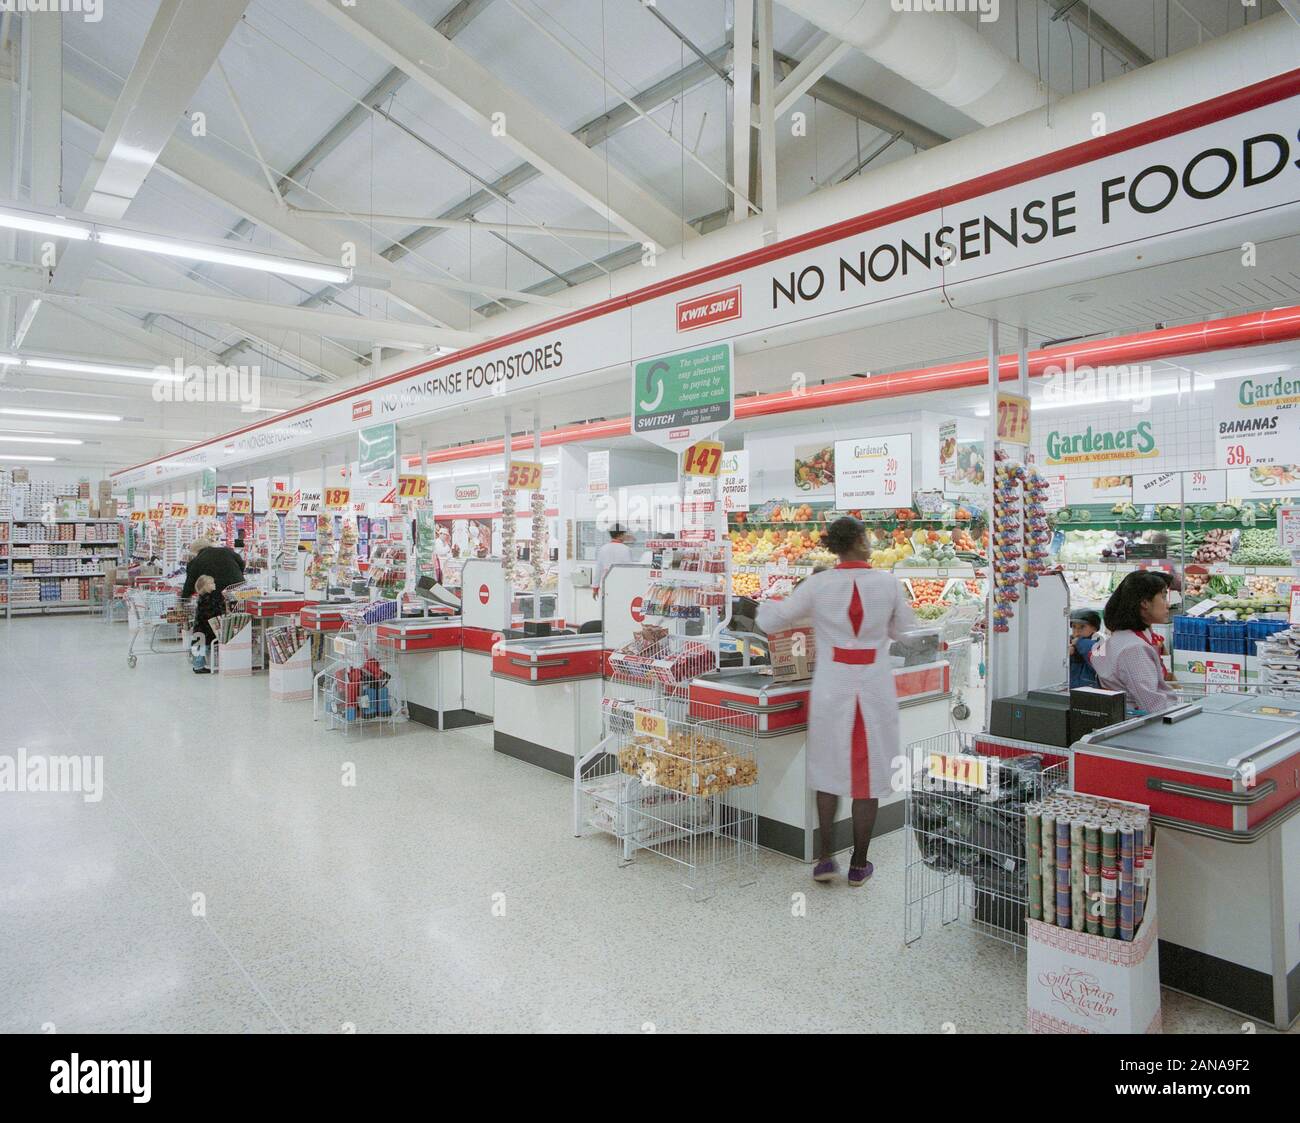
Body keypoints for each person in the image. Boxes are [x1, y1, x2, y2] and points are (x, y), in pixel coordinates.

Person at [756, 516, 919, 887]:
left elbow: (774, 620)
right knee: (870, 773)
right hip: (874, 690)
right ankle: (860, 864)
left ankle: (825, 858)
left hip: (832, 688)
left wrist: (765, 604)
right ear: (860, 540)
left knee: (827, 769)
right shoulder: (889, 584)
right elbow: (905, 632)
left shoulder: (818, 586)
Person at [1087, 570, 1178, 714]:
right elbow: (1153, 705)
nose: (1168, 604)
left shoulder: (1121, 637)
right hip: (1142, 726)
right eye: (1163, 596)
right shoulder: (1134, 649)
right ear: (1144, 603)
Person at [181, 536, 245, 600]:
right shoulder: (226, 551)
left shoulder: (196, 561)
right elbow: (242, 563)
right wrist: (238, 574)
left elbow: (189, 584)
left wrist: (184, 599)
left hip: (216, 594)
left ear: (196, 551)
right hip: (238, 589)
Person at [190, 575, 223, 674]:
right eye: (212, 583)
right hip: (203, 627)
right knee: (200, 646)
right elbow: (210, 612)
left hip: (201, 627)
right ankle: (198, 666)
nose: (214, 584)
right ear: (205, 586)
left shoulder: (204, 597)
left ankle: (198, 665)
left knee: (201, 645)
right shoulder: (206, 599)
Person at [591, 525, 633, 600]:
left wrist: (595, 588)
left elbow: (598, 569)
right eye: (624, 534)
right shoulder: (626, 549)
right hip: (621, 584)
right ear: (620, 535)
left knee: (606, 608)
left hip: (606, 584)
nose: (625, 536)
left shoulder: (603, 549)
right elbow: (629, 569)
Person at [1069, 608, 1101, 688]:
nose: (1076, 631)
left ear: (1094, 628)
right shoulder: (1069, 643)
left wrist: (1079, 642)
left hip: (1090, 692)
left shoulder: (1099, 643)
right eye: (1074, 627)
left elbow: (1094, 653)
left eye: (1082, 627)